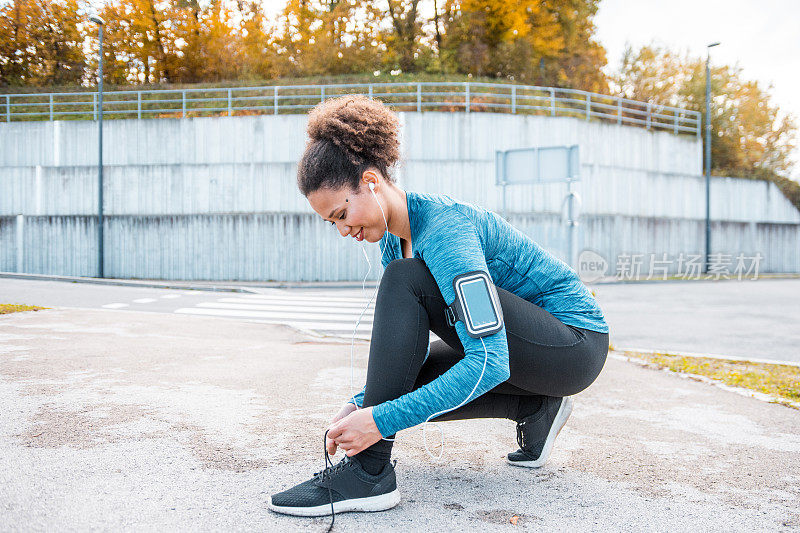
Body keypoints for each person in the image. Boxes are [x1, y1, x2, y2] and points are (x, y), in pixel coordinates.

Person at [268, 94, 609, 518]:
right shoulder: (395, 241)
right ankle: (536, 406)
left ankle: (368, 473)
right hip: (534, 356)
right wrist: (361, 403)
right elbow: (404, 352)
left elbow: (490, 361)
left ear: (371, 182)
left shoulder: (445, 231)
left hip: (574, 345)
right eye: (331, 222)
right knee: (398, 379)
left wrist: (377, 421)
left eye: (342, 213)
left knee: (402, 285)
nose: (342, 230)